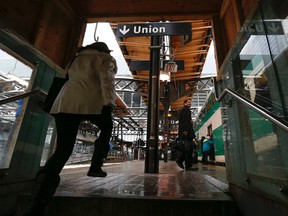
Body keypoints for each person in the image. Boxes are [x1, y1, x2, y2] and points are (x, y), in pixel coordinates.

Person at [23, 41, 117, 216]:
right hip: (91, 103)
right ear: (104, 50)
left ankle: (35, 205)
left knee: (62, 151)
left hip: (65, 103)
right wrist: (109, 104)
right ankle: (95, 166)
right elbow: (107, 80)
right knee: (107, 126)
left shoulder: (75, 59)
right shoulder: (105, 58)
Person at [176, 99, 197, 171]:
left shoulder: (185, 110)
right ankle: (187, 166)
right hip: (187, 133)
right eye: (188, 102)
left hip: (187, 132)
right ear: (184, 103)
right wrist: (186, 131)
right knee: (189, 148)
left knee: (188, 149)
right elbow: (185, 122)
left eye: (190, 102)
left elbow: (186, 121)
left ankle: (181, 161)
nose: (190, 103)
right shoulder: (185, 110)